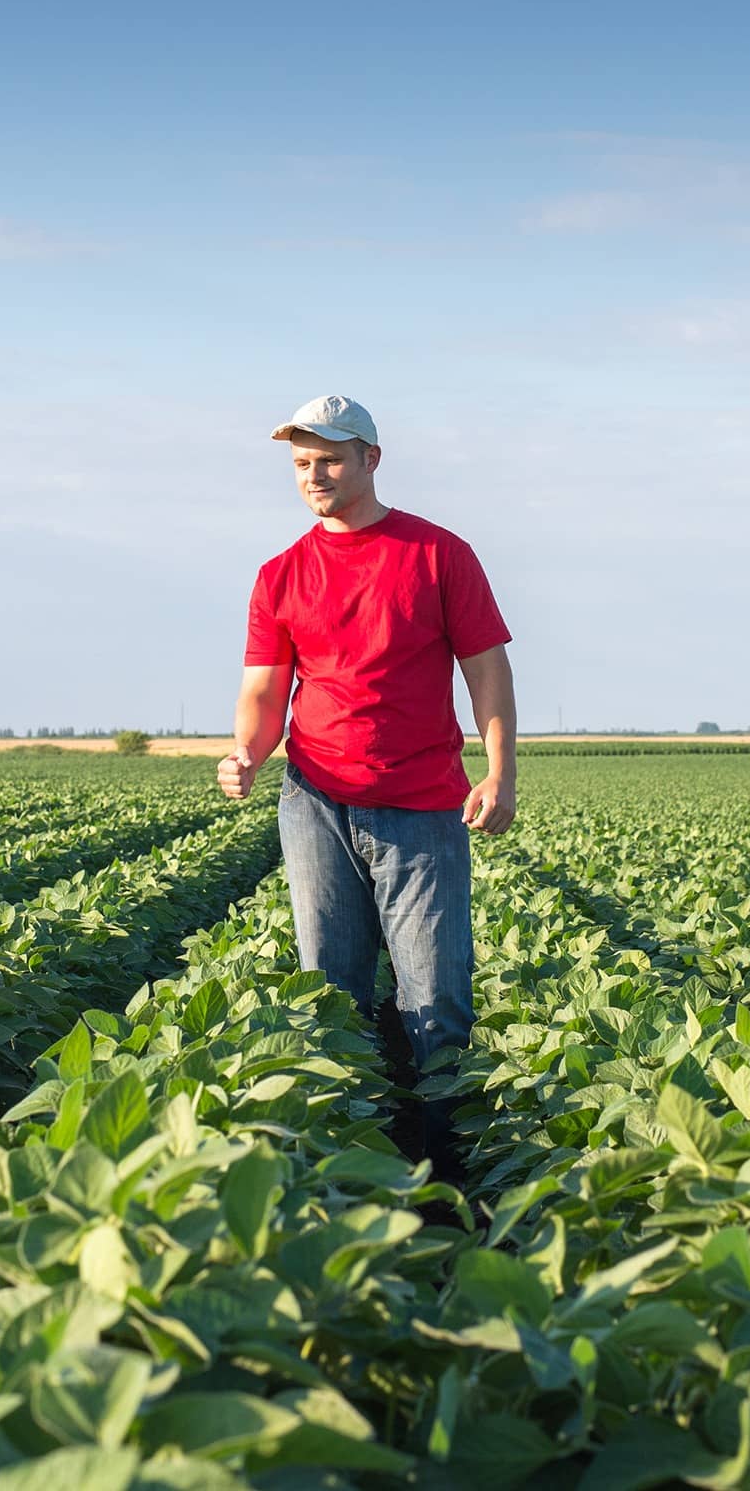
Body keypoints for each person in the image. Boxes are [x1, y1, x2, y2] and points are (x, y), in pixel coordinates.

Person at [218, 393, 516, 1187]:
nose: (314, 476)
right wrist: (247, 752)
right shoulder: (281, 574)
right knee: (330, 995)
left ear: (371, 460)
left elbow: (486, 668)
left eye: (330, 460)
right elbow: (264, 689)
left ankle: (452, 1180)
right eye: (301, 464)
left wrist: (500, 772)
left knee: (437, 1001)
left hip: (421, 803)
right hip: (314, 799)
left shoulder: (438, 555)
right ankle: (348, 1167)